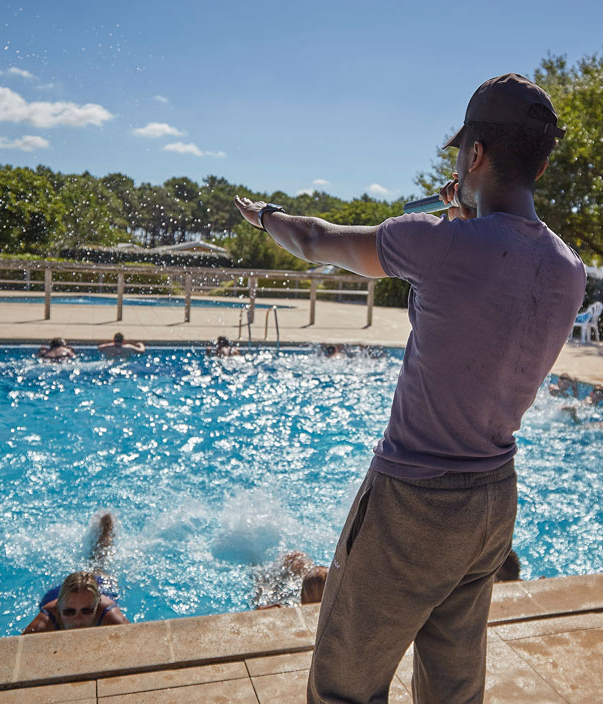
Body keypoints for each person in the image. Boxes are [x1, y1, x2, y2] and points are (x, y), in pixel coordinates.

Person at [235, 72, 584, 703]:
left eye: (461, 151)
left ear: (474, 153)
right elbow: (487, 295)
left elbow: (316, 240)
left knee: (346, 684)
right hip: (493, 500)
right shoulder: (567, 268)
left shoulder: (433, 243)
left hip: (415, 501)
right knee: (452, 688)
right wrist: (467, 216)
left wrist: (266, 217)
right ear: (544, 158)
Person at [22, 514, 127, 633]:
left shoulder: (109, 614)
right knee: (94, 563)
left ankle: (105, 531)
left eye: (87, 611)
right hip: (61, 593)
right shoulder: (45, 621)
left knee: (100, 564)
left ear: (97, 608)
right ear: (58, 609)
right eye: (69, 612)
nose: (78, 620)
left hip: (100, 587)